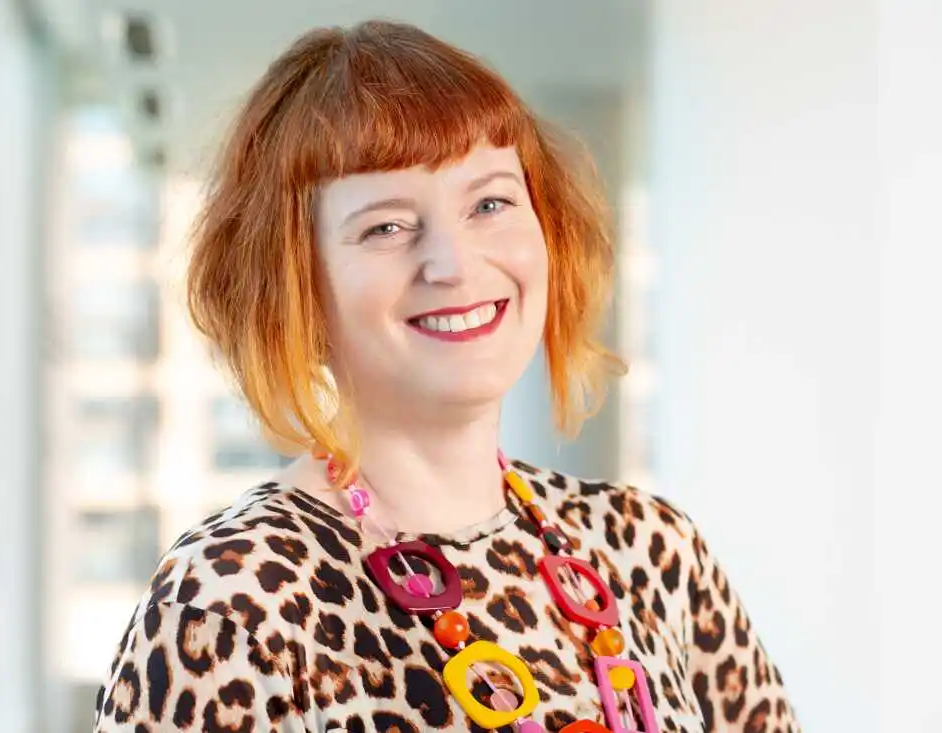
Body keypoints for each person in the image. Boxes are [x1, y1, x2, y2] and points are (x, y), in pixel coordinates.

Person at [93, 20, 799, 733]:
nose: (454, 264)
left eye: (489, 203)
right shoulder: (232, 602)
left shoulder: (649, 549)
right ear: (294, 284)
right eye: (387, 227)